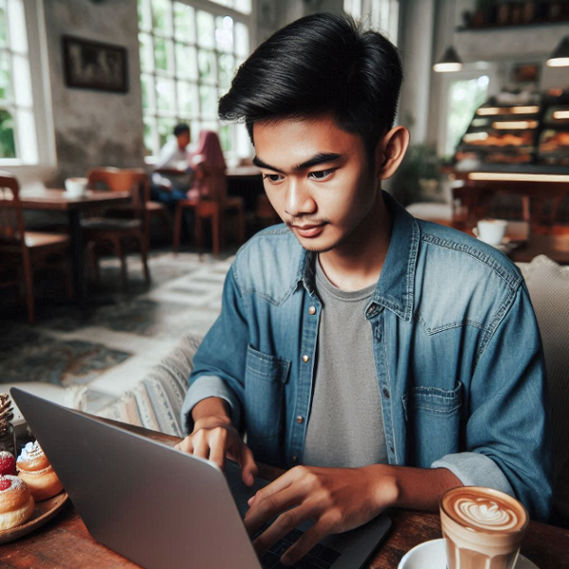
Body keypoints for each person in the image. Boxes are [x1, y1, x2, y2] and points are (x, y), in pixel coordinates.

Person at [176, 13, 552, 566]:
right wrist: (213, 417)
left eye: (320, 173)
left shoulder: (483, 294)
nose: (293, 206)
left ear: (386, 153)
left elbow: (520, 478)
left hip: (407, 547)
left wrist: (381, 484)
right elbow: (219, 368)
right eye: (273, 175)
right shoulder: (258, 264)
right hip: (270, 535)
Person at [152, 123, 195, 203]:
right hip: (165, 189)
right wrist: (177, 172)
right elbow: (157, 169)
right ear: (178, 137)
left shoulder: (188, 150)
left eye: (189, 136)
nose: (189, 139)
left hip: (182, 188)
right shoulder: (170, 150)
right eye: (186, 136)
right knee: (179, 200)